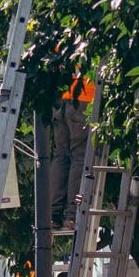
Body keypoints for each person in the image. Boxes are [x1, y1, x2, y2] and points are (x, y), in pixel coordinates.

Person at [38, 77, 94, 228]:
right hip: (83, 97)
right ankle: (73, 214)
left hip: (60, 97)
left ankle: (53, 214)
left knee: (61, 156)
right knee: (80, 157)